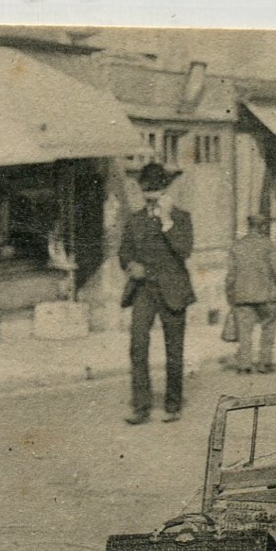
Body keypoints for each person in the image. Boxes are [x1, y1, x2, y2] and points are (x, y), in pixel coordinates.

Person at [119, 162, 195, 424]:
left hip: (173, 290)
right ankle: (141, 407)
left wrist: (166, 221)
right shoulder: (135, 219)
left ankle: (172, 405)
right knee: (137, 346)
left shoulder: (181, 218)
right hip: (144, 291)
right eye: (146, 193)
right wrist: (130, 265)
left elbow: (184, 250)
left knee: (174, 350)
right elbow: (124, 251)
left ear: (165, 191)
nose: (151, 198)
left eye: (157, 193)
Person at [225, 213, 276, 374]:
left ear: (249, 226)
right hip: (267, 296)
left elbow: (230, 276)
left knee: (244, 332)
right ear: (263, 227)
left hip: (242, 297)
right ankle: (265, 362)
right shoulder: (268, 245)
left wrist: (230, 296)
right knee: (269, 327)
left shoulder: (237, 246)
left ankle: (245, 365)